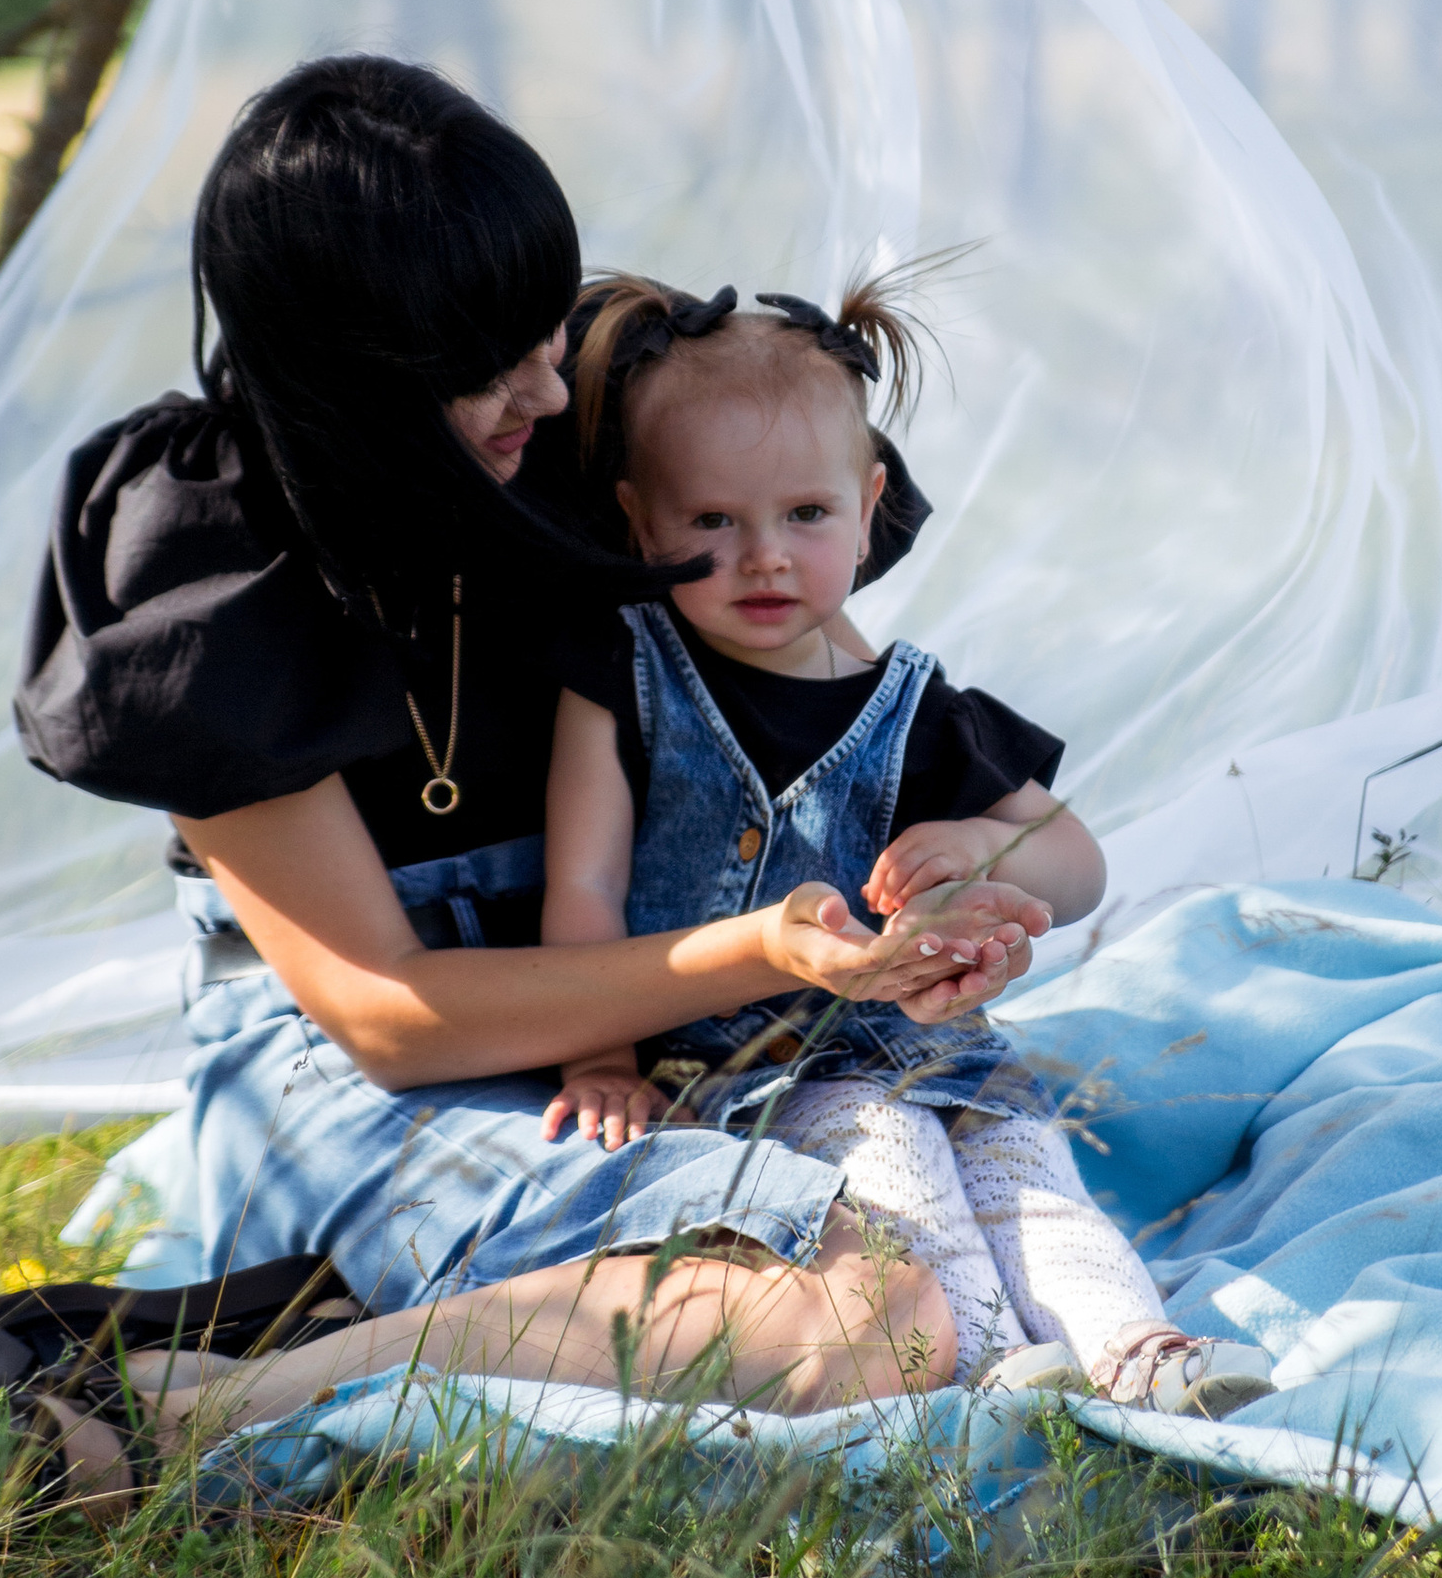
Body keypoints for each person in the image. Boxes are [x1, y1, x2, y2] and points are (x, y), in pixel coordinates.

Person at [0, 55, 1049, 1517]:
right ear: (352, 375)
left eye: (540, 331)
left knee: (932, 1244)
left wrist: (933, 872)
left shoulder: (574, 419)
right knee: (868, 1322)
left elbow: (810, 608)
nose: (541, 386)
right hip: (367, 1056)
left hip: (651, 1003)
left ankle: (319, 1348)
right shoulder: (203, 560)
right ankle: (150, 1411)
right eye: (484, 361)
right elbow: (389, 1017)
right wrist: (748, 952)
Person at [536, 276, 1271, 1417]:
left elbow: (1077, 863)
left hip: (945, 1044)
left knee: (1031, 1179)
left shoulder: (910, 704)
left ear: (870, 503)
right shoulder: (625, 680)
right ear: (641, 520)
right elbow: (583, 881)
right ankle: (982, 1369)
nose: (764, 558)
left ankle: (1139, 1350)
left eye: (806, 517)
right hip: (764, 1069)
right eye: (712, 524)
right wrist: (594, 1059)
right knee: (895, 1173)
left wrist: (981, 846)